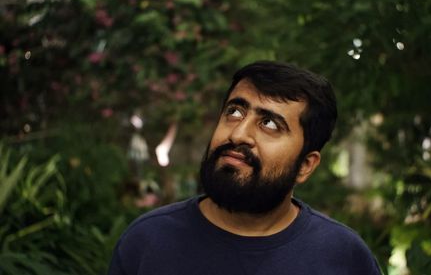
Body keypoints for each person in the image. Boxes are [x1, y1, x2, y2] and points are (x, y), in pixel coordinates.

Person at [108, 61, 382, 275]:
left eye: (270, 124)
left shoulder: (344, 257)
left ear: (305, 166)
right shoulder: (147, 242)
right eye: (235, 112)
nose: (238, 134)